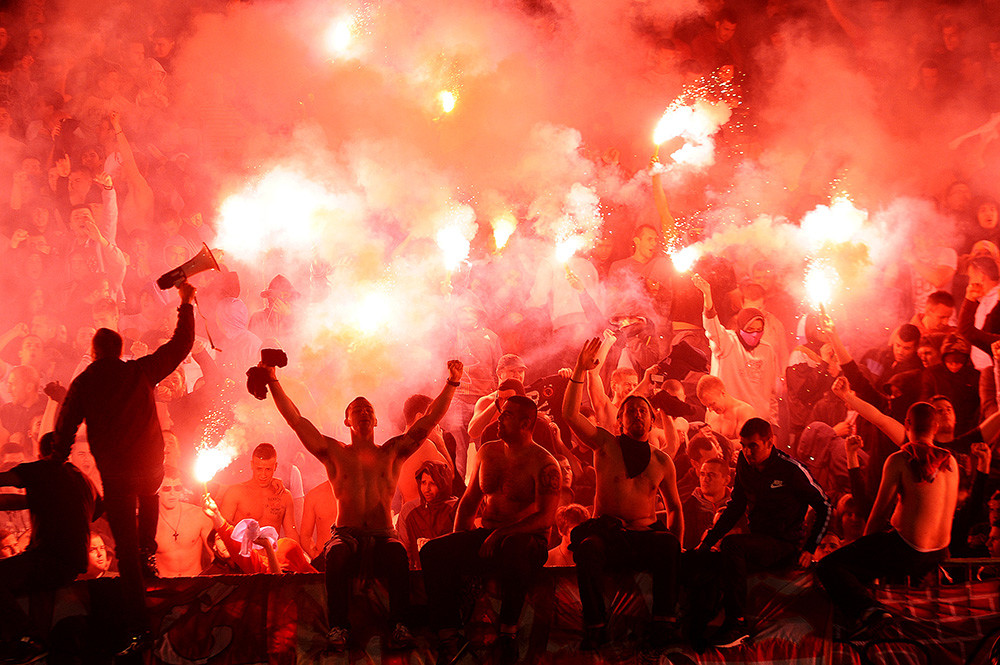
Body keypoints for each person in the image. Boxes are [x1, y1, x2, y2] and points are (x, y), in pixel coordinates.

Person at [265, 358, 464, 651]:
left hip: (384, 535)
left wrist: (453, 382)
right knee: (336, 555)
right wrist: (272, 380)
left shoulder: (392, 452)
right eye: (357, 410)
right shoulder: (334, 452)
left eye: (369, 409)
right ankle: (339, 627)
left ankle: (400, 625)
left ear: (376, 421)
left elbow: (429, 420)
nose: (364, 413)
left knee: (398, 554)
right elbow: (296, 420)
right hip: (346, 535)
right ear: (347, 421)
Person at [51, 280, 195, 653]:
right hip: (149, 468)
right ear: (119, 351)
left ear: (94, 352)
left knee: (125, 553)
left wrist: (55, 463)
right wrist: (186, 302)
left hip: (116, 476)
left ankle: (139, 628)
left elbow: (65, 428)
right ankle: (148, 550)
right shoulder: (139, 371)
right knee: (151, 490)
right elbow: (181, 345)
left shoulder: (85, 382)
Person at [561, 338, 684, 651]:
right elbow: (570, 414)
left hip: (644, 536)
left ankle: (664, 624)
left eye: (643, 411)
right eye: (631, 411)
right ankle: (596, 627)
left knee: (669, 545)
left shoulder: (662, 460)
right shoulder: (605, 445)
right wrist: (579, 370)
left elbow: (674, 508)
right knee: (587, 548)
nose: (637, 415)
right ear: (620, 420)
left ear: (652, 420)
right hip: (609, 535)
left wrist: (678, 545)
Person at [421, 395, 560, 664]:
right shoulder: (487, 452)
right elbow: (469, 501)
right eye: (501, 412)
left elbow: (545, 518)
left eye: (507, 415)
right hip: (490, 535)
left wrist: (501, 533)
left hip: (527, 543)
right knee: (433, 552)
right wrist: (460, 537)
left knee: (514, 546)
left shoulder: (544, 463)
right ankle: (449, 636)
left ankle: (508, 634)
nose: (499, 418)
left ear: (525, 423)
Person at [815, 402, 958, 638]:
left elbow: (879, 513)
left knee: (829, 566)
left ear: (907, 424)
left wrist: (863, 545)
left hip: (910, 550)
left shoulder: (900, 459)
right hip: (941, 552)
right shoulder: (950, 463)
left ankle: (870, 613)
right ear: (936, 427)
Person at [695, 418, 831, 647]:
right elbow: (736, 506)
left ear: (769, 442)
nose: (747, 452)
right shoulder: (744, 464)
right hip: (758, 540)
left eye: (753, 446)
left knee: (732, 545)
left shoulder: (791, 470)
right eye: (743, 446)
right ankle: (699, 626)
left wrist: (810, 547)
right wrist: (707, 542)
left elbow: (825, 505)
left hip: (785, 543)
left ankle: (737, 624)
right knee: (710, 558)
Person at [0, 432, 99, 663]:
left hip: (50, 558)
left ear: (40, 453)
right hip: (73, 562)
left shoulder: (45, 468)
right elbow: (27, 502)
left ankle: (27, 638)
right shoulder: (84, 481)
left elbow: (5, 479)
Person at [693, 273, 779, 423]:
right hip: (726, 420)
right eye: (750, 329)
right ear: (741, 327)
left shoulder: (767, 350)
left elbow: (771, 393)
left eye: (759, 330)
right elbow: (712, 327)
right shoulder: (726, 342)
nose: (755, 334)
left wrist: (773, 422)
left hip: (757, 423)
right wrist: (707, 296)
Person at [220, 443, 298, 543]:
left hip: (270, 552)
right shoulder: (235, 493)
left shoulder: (284, 496)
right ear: (252, 465)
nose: (263, 475)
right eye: (259, 469)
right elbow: (222, 529)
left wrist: (297, 552)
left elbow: (291, 533)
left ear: (275, 466)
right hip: (243, 551)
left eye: (268, 469)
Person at [396, 460, 458, 569]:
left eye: (432, 483)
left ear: (443, 484)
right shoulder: (409, 510)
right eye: (423, 482)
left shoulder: (456, 508)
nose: (427, 489)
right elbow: (403, 549)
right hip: (420, 574)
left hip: (450, 572)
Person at [154, 470, 213, 578]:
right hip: (163, 584)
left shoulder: (199, 515)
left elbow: (215, 556)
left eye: (177, 488)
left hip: (195, 582)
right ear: (157, 490)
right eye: (167, 488)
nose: (172, 493)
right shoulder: (149, 521)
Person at [696, 374, 756, 441]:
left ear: (723, 393)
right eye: (707, 406)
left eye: (712, 404)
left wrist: (719, 443)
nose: (710, 409)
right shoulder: (709, 414)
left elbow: (747, 442)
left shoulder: (744, 411)